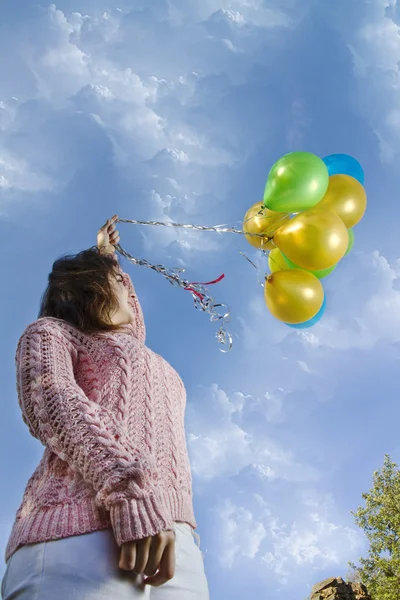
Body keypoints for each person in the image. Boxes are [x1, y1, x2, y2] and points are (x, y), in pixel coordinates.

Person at [1, 215, 210, 599]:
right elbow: (53, 402)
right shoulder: (51, 332)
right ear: (90, 288)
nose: (129, 292)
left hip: (175, 540)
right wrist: (129, 489)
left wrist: (107, 254)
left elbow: (131, 328)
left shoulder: (134, 350)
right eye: (117, 282)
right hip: (78, 533)